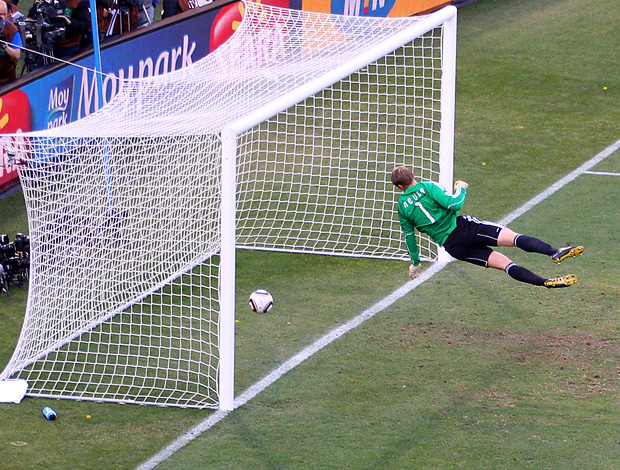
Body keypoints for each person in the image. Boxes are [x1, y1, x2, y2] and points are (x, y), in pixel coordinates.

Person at [391, 166, 584, 288]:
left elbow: (409, 237)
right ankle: (554, 252)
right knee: (514, 238)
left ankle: (545, 282)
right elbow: (455, 204)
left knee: (506, 265)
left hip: (453, 247)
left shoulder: (402, 207)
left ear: (400, 187)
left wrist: (415, 263)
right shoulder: (428, 187)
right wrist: (461, 187)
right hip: (464, 228)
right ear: (412, 176)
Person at [0, 0, 21, 85]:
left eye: (5, 14)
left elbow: (17, 54)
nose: (3, 18)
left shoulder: (12, 30)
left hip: (7, 79)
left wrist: (5, 47)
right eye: (0, 14)